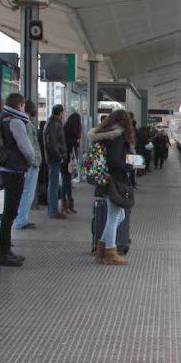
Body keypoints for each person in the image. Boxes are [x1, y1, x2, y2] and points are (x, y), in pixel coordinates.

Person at [87, 110, 134, 265]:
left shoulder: (103, 134)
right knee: (115, 216)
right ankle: (111, 252)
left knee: (117, 216)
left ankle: (101, 249)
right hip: (113, 180)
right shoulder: (117, 136)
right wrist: (128, 167)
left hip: (103, 179)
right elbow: (113, 161)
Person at [0, 93, 35, 267]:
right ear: (19, 105)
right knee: (10, 211)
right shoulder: (16, 122)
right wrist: (32, 161)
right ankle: (4, 251)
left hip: (7, 168)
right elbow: (26, 148)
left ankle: (6, 249)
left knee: (9, 210)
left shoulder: (4, 120)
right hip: (15, 170)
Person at [14, 100, 42, 230]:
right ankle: (21, 220)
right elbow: (29, 145)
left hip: (28, 164)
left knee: (25, 192)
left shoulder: (24, 122)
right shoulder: (25, 123)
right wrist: (33, 160)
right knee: (27, 192)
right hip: (30, 164)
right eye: (35, 108)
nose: (36, 110)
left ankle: (21, 219)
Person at [44, 104, 68, 218]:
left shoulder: (52, 123)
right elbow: (52, 143)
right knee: (53, 184)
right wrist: (59, 156)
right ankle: (53, 211)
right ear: (60, 113)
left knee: (53, 183)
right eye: (63, 112)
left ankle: (52, 209)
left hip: (53, 157)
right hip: (54, 158)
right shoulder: (54, 124)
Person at [61, 112, 82, 214]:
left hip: (64, 161)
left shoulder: (65, 131)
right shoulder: (73, 136)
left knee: (66, 182)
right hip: (68, 161)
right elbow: (72, 149)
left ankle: (66, 203)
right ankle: (67, 204)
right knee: (66, 182)